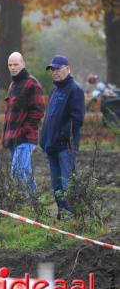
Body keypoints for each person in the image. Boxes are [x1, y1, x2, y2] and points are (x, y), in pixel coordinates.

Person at [40, 55, 85, 220]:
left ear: (68, 68)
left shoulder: (75, 90)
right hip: (51, 146)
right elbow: (49, 117)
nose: (55, 72)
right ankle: (63, 213)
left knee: (68, 182)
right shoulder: (54, 90)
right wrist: (44, 139)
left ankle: (73, 215)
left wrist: (62, 137)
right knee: (56, 184)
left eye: (58, 69)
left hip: (66, 146)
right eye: (52, 69)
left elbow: (77, 120)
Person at [2, 52, 45, 193]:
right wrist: (5, 136)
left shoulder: (32, 83)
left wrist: (23, 130)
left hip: (25, 138)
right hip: (12, 137)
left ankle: (25, 204)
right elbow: (9, 113)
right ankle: (33, 204)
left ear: (23, 64)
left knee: (17, 172)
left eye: (16, 64)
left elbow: (38, 111)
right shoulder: (13, 84)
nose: (13, 67)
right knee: (25, 174)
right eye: (10, 65)